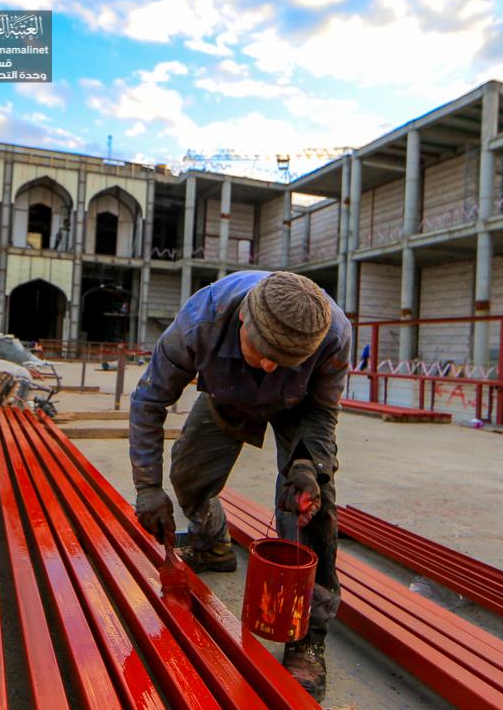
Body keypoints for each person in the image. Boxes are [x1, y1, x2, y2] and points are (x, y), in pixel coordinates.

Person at [129, 270, 351, 701]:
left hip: (298, 410)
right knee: (188, 478)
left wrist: (308, 466)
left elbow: (323, 412)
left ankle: (308, 635)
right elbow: (149, 400)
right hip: (226, 395)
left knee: (312, 509)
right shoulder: (201, 321)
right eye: (263, 353)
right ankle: (213, 544)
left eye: (283, 361)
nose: (269, 367)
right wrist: (147, 487)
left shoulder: (334, 333)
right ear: (243, 320)